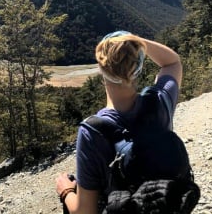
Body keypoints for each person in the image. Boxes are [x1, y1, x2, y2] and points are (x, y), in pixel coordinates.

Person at [54, 31, 183, 213]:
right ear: (138, 67)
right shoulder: (159, 103)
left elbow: (84, 211)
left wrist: (65, 191)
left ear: (101, 68)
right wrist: (135, 41)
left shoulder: (92, 131)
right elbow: (172, 62)